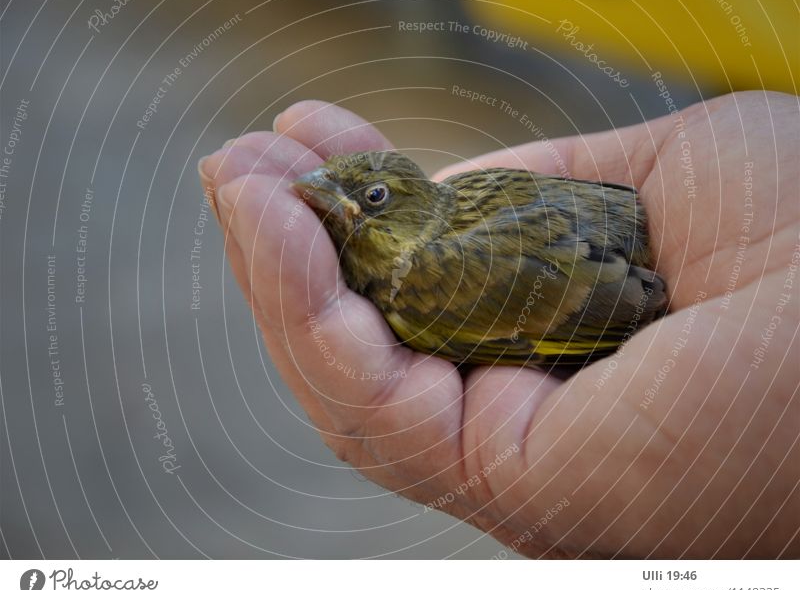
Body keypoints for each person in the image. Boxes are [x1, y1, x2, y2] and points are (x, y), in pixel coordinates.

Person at [198, 91, 799, 558]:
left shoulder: (419, 287)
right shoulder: (458, 198)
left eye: (374, 198)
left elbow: (565, 322)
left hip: (613, 285)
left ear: (408, 206)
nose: (336, 205)